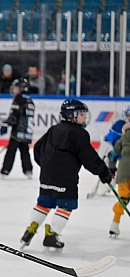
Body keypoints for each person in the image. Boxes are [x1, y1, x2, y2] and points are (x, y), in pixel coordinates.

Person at [20, 99, 111, 250]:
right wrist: (103, 172)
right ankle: (52, 234)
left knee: (45, 202)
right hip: (66, 177)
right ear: (71, 115)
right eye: (81, 114)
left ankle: (30, 229)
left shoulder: (54, 129)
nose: (84, 117)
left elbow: (37, 148)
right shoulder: (79, 133)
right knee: (66, 204)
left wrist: (46, 165)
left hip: (47, 176)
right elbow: (88, 157)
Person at [0, 78, 35, 178]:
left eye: (16, 88)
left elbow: (14, 116)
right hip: (27, 133)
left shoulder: (18, 100)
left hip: (18, 131)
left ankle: (5, 170)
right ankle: (28, 170)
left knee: (11, 150)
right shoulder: (30, 101)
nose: (14, 90)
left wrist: (6, 125)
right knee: (25, 151)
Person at [107, 122, 130, 236]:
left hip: (123, 175)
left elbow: (112, 155)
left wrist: (111, 170)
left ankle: (114, 225)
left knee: (123, 199)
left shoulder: (122, 139)